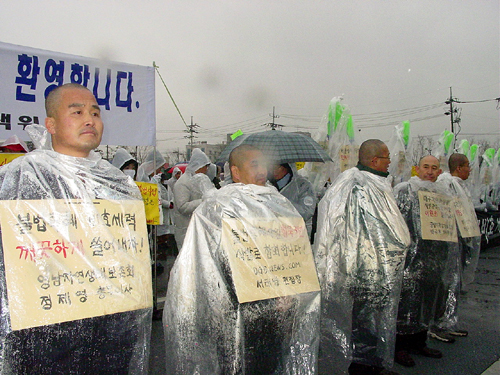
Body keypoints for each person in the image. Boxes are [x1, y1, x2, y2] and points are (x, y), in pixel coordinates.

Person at [0, 83, 152, 373]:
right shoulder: (21, 179)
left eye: (95, 113)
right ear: (51, 124)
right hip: (47, 330)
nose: (89, 119)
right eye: (78, 112)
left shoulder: (119, 186)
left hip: (112, 327)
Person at [163, 144, 321, 374]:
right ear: (235, 172)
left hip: (274, 302)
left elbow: (291, 250)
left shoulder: (278, 202)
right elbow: (207, 258)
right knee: (236, 360)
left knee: (269, 359)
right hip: (234, 302)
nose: (261, 170)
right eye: (254, 165)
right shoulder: (218, 205)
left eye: (264, 165)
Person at [314, 139, 411, 375]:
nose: (390, 162)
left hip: (375, 266)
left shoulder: (375, 184)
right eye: (387, 157)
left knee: (373, 318)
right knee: (360, 320)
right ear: (374, 160)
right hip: (359, 267)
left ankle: (371, 363)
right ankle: (361, 366)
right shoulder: (355, 185)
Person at [393, 155, 454, 367]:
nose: (429, 171)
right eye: (426, 167)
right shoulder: (404, 190)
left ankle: (419, 341)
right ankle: (399, 347)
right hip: (410, 258)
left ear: (439, 171)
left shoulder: (442, 193)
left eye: (434, 168)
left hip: (433, 258)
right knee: (406, 302)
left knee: (426, 302)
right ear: (417, 169)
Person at [429, 153, 481, 340]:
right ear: (459, 167)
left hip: (458, 244)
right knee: (446, 284)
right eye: (467, 165)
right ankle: (438, 324)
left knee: (454, 284)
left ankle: (448, 321)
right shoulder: (448, 184)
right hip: (448, 244)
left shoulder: (458, 185)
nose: (470, 169)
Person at [172, 148, 214, 248]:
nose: (206, 170)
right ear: (198, 166)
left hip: (198, 228)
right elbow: (183, 207)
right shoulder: (183, 183)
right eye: (205, 167)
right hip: (186, 229)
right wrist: (204, 201)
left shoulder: (199, 180)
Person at [269, 162, 317, 239]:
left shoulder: (303, 185)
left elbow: (306, 212)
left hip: (297, 236)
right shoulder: (267, 184)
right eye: (271, 168)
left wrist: (282, 203)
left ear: (288, 168)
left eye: (278, 168)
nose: (274, 171)